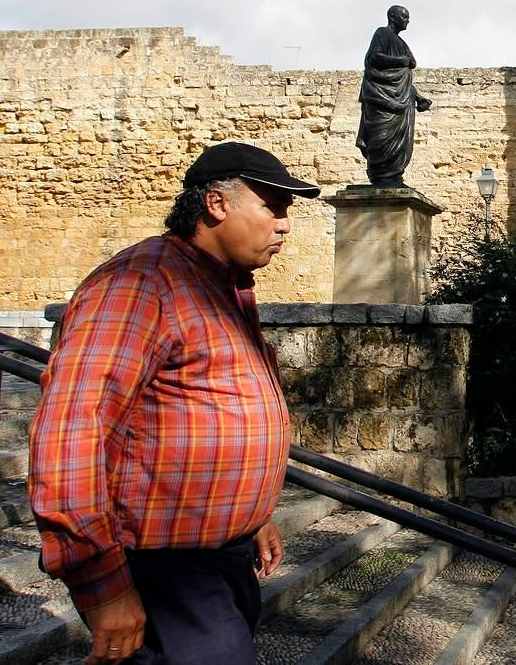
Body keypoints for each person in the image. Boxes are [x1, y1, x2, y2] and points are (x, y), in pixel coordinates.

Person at [28, 142, 321, 663]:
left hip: (218, 559)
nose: (284, 225)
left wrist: (250, 515)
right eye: (272, 207)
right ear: (216, 204)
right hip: (167, 568)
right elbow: (72, 431)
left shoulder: (218, 287)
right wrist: (105, 585)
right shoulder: (141, 285)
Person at [356, 5, 433, 188]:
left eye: (408, 17)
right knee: (381, 138)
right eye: (404, 16)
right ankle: (381, 178)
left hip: (400, 98)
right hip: (381, 97)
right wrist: (400, 60)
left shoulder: (401, 43)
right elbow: (374, 58)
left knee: (400, 141)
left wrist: (417, 96)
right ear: (392, 17)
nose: (407, 20)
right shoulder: (382, 34)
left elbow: (405, 75)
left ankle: (394, 176)